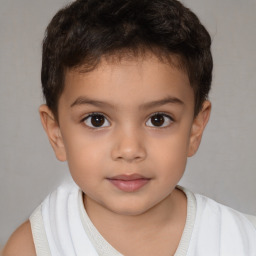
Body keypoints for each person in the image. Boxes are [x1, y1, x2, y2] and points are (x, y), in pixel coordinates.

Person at [3, 0, 256, 255]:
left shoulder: (243, 240)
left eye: (158, 119)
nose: (129, 149)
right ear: (56, 133)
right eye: (96, 120)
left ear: (195, 128)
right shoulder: (35, 247)